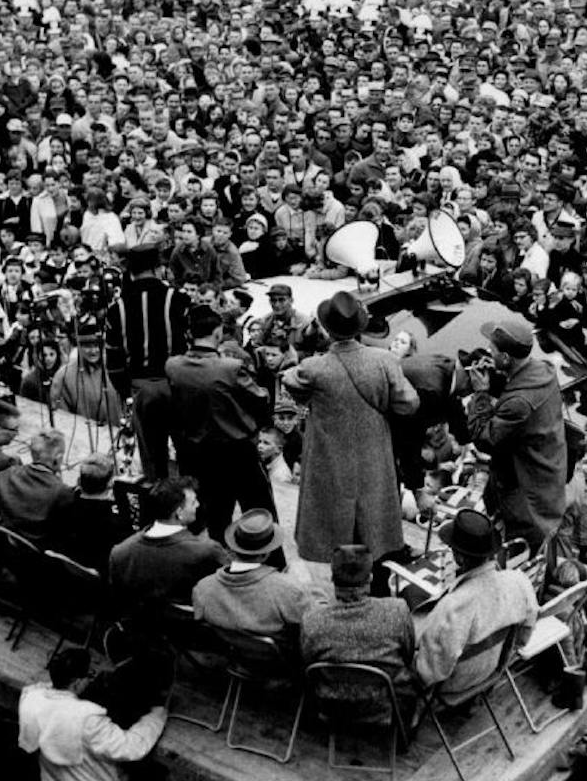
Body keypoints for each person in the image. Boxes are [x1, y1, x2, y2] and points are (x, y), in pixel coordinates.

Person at [282, 290, 418, 567]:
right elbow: (409, 404)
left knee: (337, 526)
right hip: (374, 455)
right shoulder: (385, 361)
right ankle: (379, 576)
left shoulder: (313, 368)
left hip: (330, 461)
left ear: (328, 329)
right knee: (374, 521)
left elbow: (289, 380)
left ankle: (345, 584)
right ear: (360, 326)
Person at [167, 304, 276, 544]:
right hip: (236, 451)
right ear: (218, 333)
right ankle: (270, 562)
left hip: (194, 452)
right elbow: (260, 400)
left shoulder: (173, 366)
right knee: (259, 511)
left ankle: (211, 560)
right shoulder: (231, 368)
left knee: (209, 514)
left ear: (189, 334)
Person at [464, 317, 568, 552]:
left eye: (493, 350)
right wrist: (497, 377)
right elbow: (517, 385)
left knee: (517, 553)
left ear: (506, 358)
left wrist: (481, 393)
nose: (489, 352)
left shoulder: (519, 403)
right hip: (546, 482)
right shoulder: (543, 370)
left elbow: (484, 437)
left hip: (526, 499)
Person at [414, 509, 538, 704]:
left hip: (454, 684)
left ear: (459, 558)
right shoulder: (519, 582)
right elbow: (524, 635)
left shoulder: (454, 606)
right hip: (492, 669)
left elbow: (429, 672)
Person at [17, 648, 167, 781]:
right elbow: (130, 748)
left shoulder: (32, 698)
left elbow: (45, 688)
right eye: (90, 675)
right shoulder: (87, 718)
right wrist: (156, 716)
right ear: (76, 683)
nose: (92, 679)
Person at [104, 242, 188, 481]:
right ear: (158, 268)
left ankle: (159, 504)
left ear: (130, 271)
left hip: (141, 388)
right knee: (185, 453)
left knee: (152, 457)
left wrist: (126, 390)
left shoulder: (116, 308)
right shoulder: (177, 298)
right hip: (176, 387)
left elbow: (113, 358)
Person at [300, 544, 418, 710]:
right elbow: (407, 654)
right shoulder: (397, 611)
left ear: (332, 579)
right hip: (387, 704)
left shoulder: (312, 618)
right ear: (370, 578)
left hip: (330, 704)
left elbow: (308, 661)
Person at [192, 508, 311, 650]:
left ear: (233, 547)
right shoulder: (288, 590)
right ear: (266, 553)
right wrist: (310, 588)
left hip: (227, 664)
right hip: (279, 668)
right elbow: (312, 628)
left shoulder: (203, 589)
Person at [108, 476, 227, 610]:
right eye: (193, 502)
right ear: (179, 513)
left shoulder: (120, 553)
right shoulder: (207, 551)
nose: (198, 504)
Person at [0, 428, 76, 547]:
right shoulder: (62, 492)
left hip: (4, 544)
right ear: (57, 458)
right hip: (35, 555)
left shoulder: (6, 474)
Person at [51, 329, 123, 422]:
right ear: (79, 347)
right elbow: (61, 415)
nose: (93, 351)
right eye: (87, 346)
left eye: (97, 346)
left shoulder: (115, 369)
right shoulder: (64, 375)